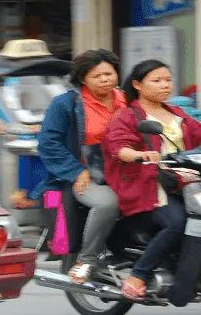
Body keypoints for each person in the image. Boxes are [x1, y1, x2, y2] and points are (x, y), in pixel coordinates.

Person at [103, 60, 201, 300]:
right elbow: (118, 147)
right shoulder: (127, 116)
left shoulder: (177, 113)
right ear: (137, 84)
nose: (165, 86)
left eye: (168, 80)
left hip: (185, 181)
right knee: (176, 223)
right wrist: (140, 155)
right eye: (157, 81)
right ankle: (139, 274)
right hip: (148, 182)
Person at [37, 49, 125, 284]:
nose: (106, 79)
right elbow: (48, 144)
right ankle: (87, 260)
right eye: (97, 76)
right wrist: (77, 171)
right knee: (108, 203)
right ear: (83, 79)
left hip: (125, 174)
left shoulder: (127, 100)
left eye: (109, 73)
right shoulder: (66, 103)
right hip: (86, 176)